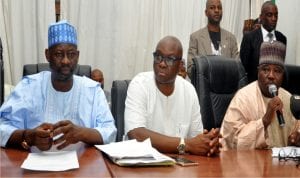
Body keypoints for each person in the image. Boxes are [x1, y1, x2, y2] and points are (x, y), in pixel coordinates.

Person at [0, 20, 116, 151]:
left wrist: (82, 133)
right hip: (36, 164)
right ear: (47, 55)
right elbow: (2, 128)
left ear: (77, 56)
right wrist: (28, 136)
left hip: (83, 166)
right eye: (59, 54)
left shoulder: (93, 91)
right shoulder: (28, 87)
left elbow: (110, 132)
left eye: (71, 54)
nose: (66, 61)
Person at [125, 36, 221, 156]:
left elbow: (196, 140)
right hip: (142, 165)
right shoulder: (140, 84)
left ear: (180, 65)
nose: (162, 64)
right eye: (158, 57)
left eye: (169, 59)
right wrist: (186, 145)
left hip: (179, 167)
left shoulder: (189, 90)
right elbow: (136, 134)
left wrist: (209, 144)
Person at [220, 41, 300, 150]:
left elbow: (297, 129)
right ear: (258, 72)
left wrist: (296, 138)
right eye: (266, 69)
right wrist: (265, 121)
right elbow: (232, 142)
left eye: (277, 71)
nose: (271, 75)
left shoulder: (288, 99)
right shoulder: (243, 98)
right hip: (250, 165)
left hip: (281, 165)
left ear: (283, 75)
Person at [187, 0, 238, 77]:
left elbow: (237, 66)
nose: (217, 10)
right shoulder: (195, 37)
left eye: (219, 8)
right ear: (206, 12)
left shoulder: (231, 38)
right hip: (205, 87)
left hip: (228, 86)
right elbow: (191, 69)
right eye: (212, 8)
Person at [240, 1, 287, 83]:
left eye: (276, 15)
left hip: (275, 87)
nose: (274, 19)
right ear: (261, 17)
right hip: (254, 86)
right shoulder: (249, 38)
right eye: (270, 15)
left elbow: (280, 67)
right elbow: (244, 69)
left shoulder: (282, 39)